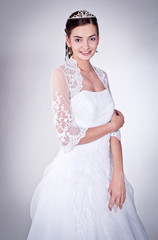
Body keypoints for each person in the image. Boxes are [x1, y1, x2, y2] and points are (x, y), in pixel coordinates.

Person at [27, 10, 149, 240]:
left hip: (107, 170)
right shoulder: (61, 74)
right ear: (67, 40)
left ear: (98, 38)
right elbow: (67, 136)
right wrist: (111, 126)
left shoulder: (103, 75)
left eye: (92, 38)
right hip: (75, 174)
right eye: (78, 39)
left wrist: (118, 174)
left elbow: (116, 130)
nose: (86, 45)